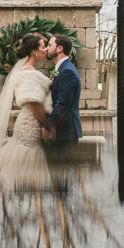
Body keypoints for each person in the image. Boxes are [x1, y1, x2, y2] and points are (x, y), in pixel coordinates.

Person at [0, 33, 53, 196]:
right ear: (34, 51)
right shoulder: (28, 72)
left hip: (30, 124)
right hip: (29, 124)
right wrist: (48, 124)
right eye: (43, 47)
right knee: (24, 162)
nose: (45, 50)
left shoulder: (28, 70)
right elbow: (34, 104)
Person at [41, 34, 82, 169]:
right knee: (58, 179)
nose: (46, 49)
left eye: (50, 45)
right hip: (62, 132)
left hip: (65, 133)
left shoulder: (67, 71)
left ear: (59, 48)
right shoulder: (63, 68)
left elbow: (62, 104)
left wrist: (47, 126)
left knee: (63, 178)